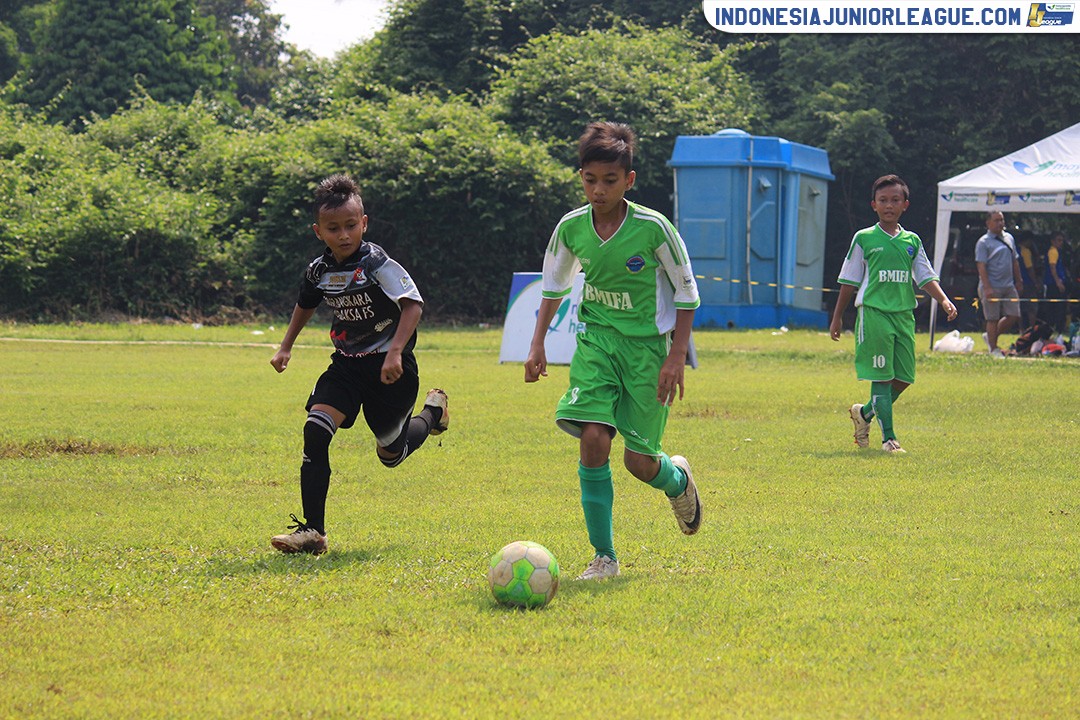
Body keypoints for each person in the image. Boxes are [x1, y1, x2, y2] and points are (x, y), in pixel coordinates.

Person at [524, 121, 702, 581]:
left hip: (648, 351)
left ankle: (677, 480)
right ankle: (604, 556)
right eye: (590, 179)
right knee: (594, 439)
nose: (598, 190)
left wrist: (675, 356)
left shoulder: (654, 228)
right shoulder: (571, 228)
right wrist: (537, 342)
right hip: (596, 343)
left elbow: (687, 295)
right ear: (580, 176)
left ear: (629, 180)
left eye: (609, 180)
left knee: (639, 463)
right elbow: (553, 288)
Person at [268, 174, 449, 555]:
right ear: (319, 231)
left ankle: (433, 412)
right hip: (347, 366)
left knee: (391, 454)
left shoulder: (377, 263)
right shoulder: (318, 271)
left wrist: (397, 351)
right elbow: (306, 303)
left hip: (391, 370)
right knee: (315, 431)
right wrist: (286, 346)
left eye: (351, 226)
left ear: (363, 223)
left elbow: (412, 304)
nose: (344, 235)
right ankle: (313, 532)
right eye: (334, 228)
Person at [829, 174, 958, 454]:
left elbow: (925, 277)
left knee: (903, 378)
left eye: (895, 200)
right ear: (873, 204)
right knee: (882, 376)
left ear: (905, 205)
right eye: (883, 200)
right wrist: (838, 316)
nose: (889, 205)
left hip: (903, 315)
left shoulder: (911, 241)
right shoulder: (864, 238)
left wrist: (944, 300)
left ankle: (863, 413)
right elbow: (849, 279)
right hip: (874, 313)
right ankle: (889, 439)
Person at [975, 210, 1024, 357]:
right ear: (988, 223)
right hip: (991, 285)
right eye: (996, 220)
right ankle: (993, 348)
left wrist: (1019, 280)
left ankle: (990, 336)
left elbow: (1014, 261)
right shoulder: (983, 242)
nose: (1000, 223)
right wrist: (987, 287)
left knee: (1014, 314)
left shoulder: (1009, 238)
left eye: (1001, 220)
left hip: (1008, 285)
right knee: (992, 318)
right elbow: (981, 266)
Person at [1042, 231, 1072, 333]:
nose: (1061, 243)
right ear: (1052, 241)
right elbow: (1052, 267)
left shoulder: (1057, 252)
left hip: (1055, 282)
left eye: (1062, 240)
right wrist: (1058, 282)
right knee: (1056, 307)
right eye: (1059, 240)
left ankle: (1058, 328)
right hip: (1053, 284)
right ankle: (1054, 328)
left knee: (1060, 307)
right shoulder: (1053, 251)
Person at [1016, 232, 1041, 329]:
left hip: (1016, 283)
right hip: (1027, 283)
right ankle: (1032, 328)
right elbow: (1029, 268)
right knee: (1032, 308)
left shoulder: (1014, 250)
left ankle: (1021, 329)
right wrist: (1036, 282)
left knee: (1019, 308)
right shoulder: (1025, 251)